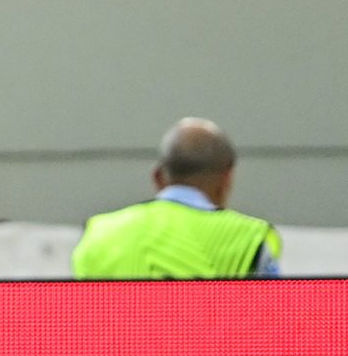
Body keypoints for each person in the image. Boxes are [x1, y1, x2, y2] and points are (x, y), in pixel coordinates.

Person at [72, 117, 281, 279]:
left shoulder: (99, 233)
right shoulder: (249, 239)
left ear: (158, 177)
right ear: (227, 179)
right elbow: (271, 316)